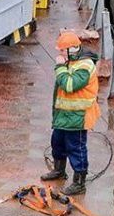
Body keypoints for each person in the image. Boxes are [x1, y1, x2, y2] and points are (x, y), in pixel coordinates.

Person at [41, 30, 100, 196]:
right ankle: (59, 170)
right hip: (64, 115)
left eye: (61, 50)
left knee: (76, 148)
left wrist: (59, 66)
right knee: (57, 143)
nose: (59, 54)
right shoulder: (72, 61)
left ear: (71, 49)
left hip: (78, 117)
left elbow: (69, 85)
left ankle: (79, 183)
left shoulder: (84, 66)